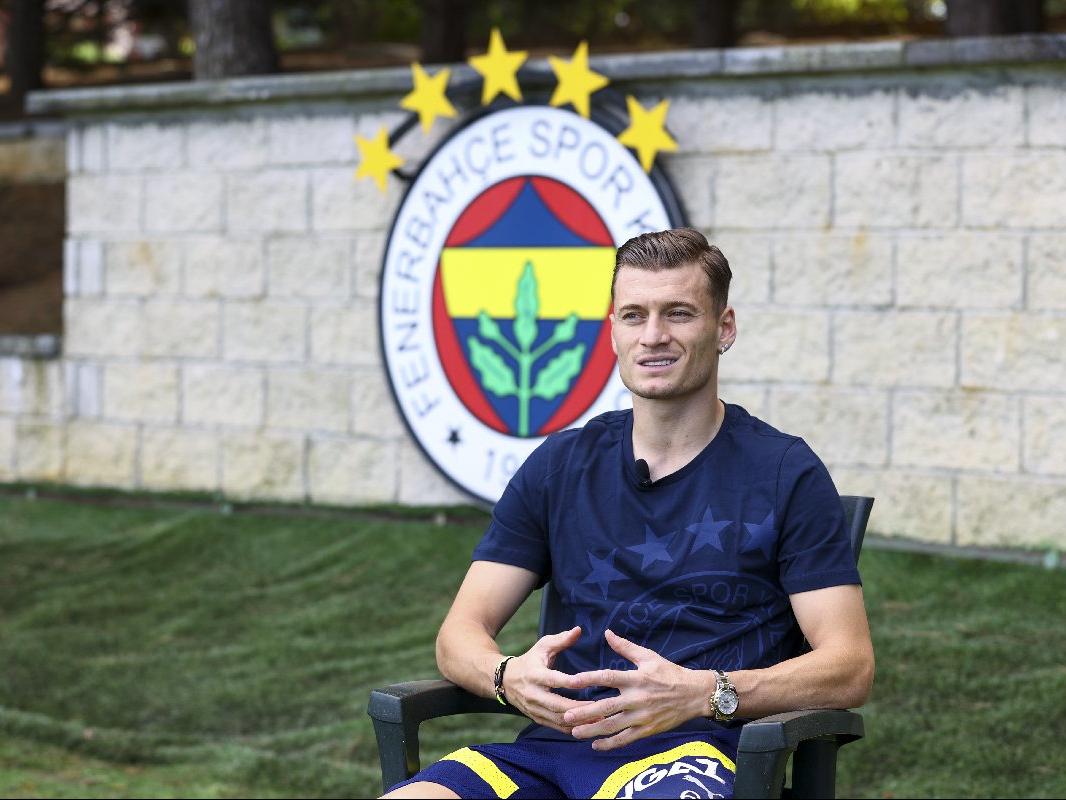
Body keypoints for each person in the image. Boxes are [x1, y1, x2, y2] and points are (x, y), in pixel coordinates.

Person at [383, 227, 875, 799]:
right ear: (612, 329)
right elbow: (458, 635)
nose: (654, 336)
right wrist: (505, 676)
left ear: (724, 327)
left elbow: (850, 666)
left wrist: (704, 692)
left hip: (690, 761)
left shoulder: (785, 472)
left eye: (679, 313)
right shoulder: (561, 465)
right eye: (634, 315)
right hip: (550, 754)